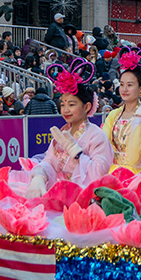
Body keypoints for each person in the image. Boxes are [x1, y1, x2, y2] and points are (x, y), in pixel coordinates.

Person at [31, 60, 113, 189]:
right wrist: (40, 176)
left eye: (71, 104)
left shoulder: (97, 136)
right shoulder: (63, 134)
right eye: (63, 104)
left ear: (87, 107)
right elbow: (50, 162)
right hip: (63, 191)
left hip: (87, 194)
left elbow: (99, 173)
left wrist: (76, 153)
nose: (65, 110)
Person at [103, 49, 141, 172]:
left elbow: (134, 157)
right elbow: (103, 146)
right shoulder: (113, 114)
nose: (124, 89)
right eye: (122, 84)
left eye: (130, 85)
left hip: (137, 174)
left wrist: (138, 118)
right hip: (112, 171)